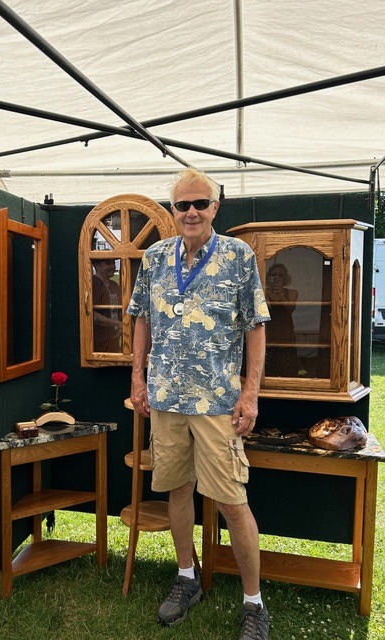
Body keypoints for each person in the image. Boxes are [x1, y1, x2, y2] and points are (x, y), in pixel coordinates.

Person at [127, 168, 271, 640]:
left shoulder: (237, 256)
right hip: (166, 398)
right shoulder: (154, 258)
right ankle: (186, 577)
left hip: (217, 402)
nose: (191, 212)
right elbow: (141, 318)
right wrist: (138, 377)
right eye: (182, 204)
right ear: (173, 210)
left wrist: (250, 393)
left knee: (232, 501)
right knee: (176, 489)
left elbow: (255, 326)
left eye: (200, 203)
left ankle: (254, 604)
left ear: (215, 207)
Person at [265, 263, 298, 377]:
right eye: (274, 275)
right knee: (269, 373)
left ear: (285, 278)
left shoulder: (292, 292)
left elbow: (290, 309)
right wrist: (267, 295)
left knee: (288, 372)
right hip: (269, 337)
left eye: (281, 275)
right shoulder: (264, 292)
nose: (277, 278)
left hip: (286, 336)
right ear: (269, 277)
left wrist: (281, 295)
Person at [92, 258, 122, 352]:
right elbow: (90, 315)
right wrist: (117, 323)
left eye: (113, 263)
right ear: (97, 266)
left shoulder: (114, 285)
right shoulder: (92, 284)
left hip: (113, 340)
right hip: (98, 342)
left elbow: (122, 309)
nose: (112, 266)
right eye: (108, 263)